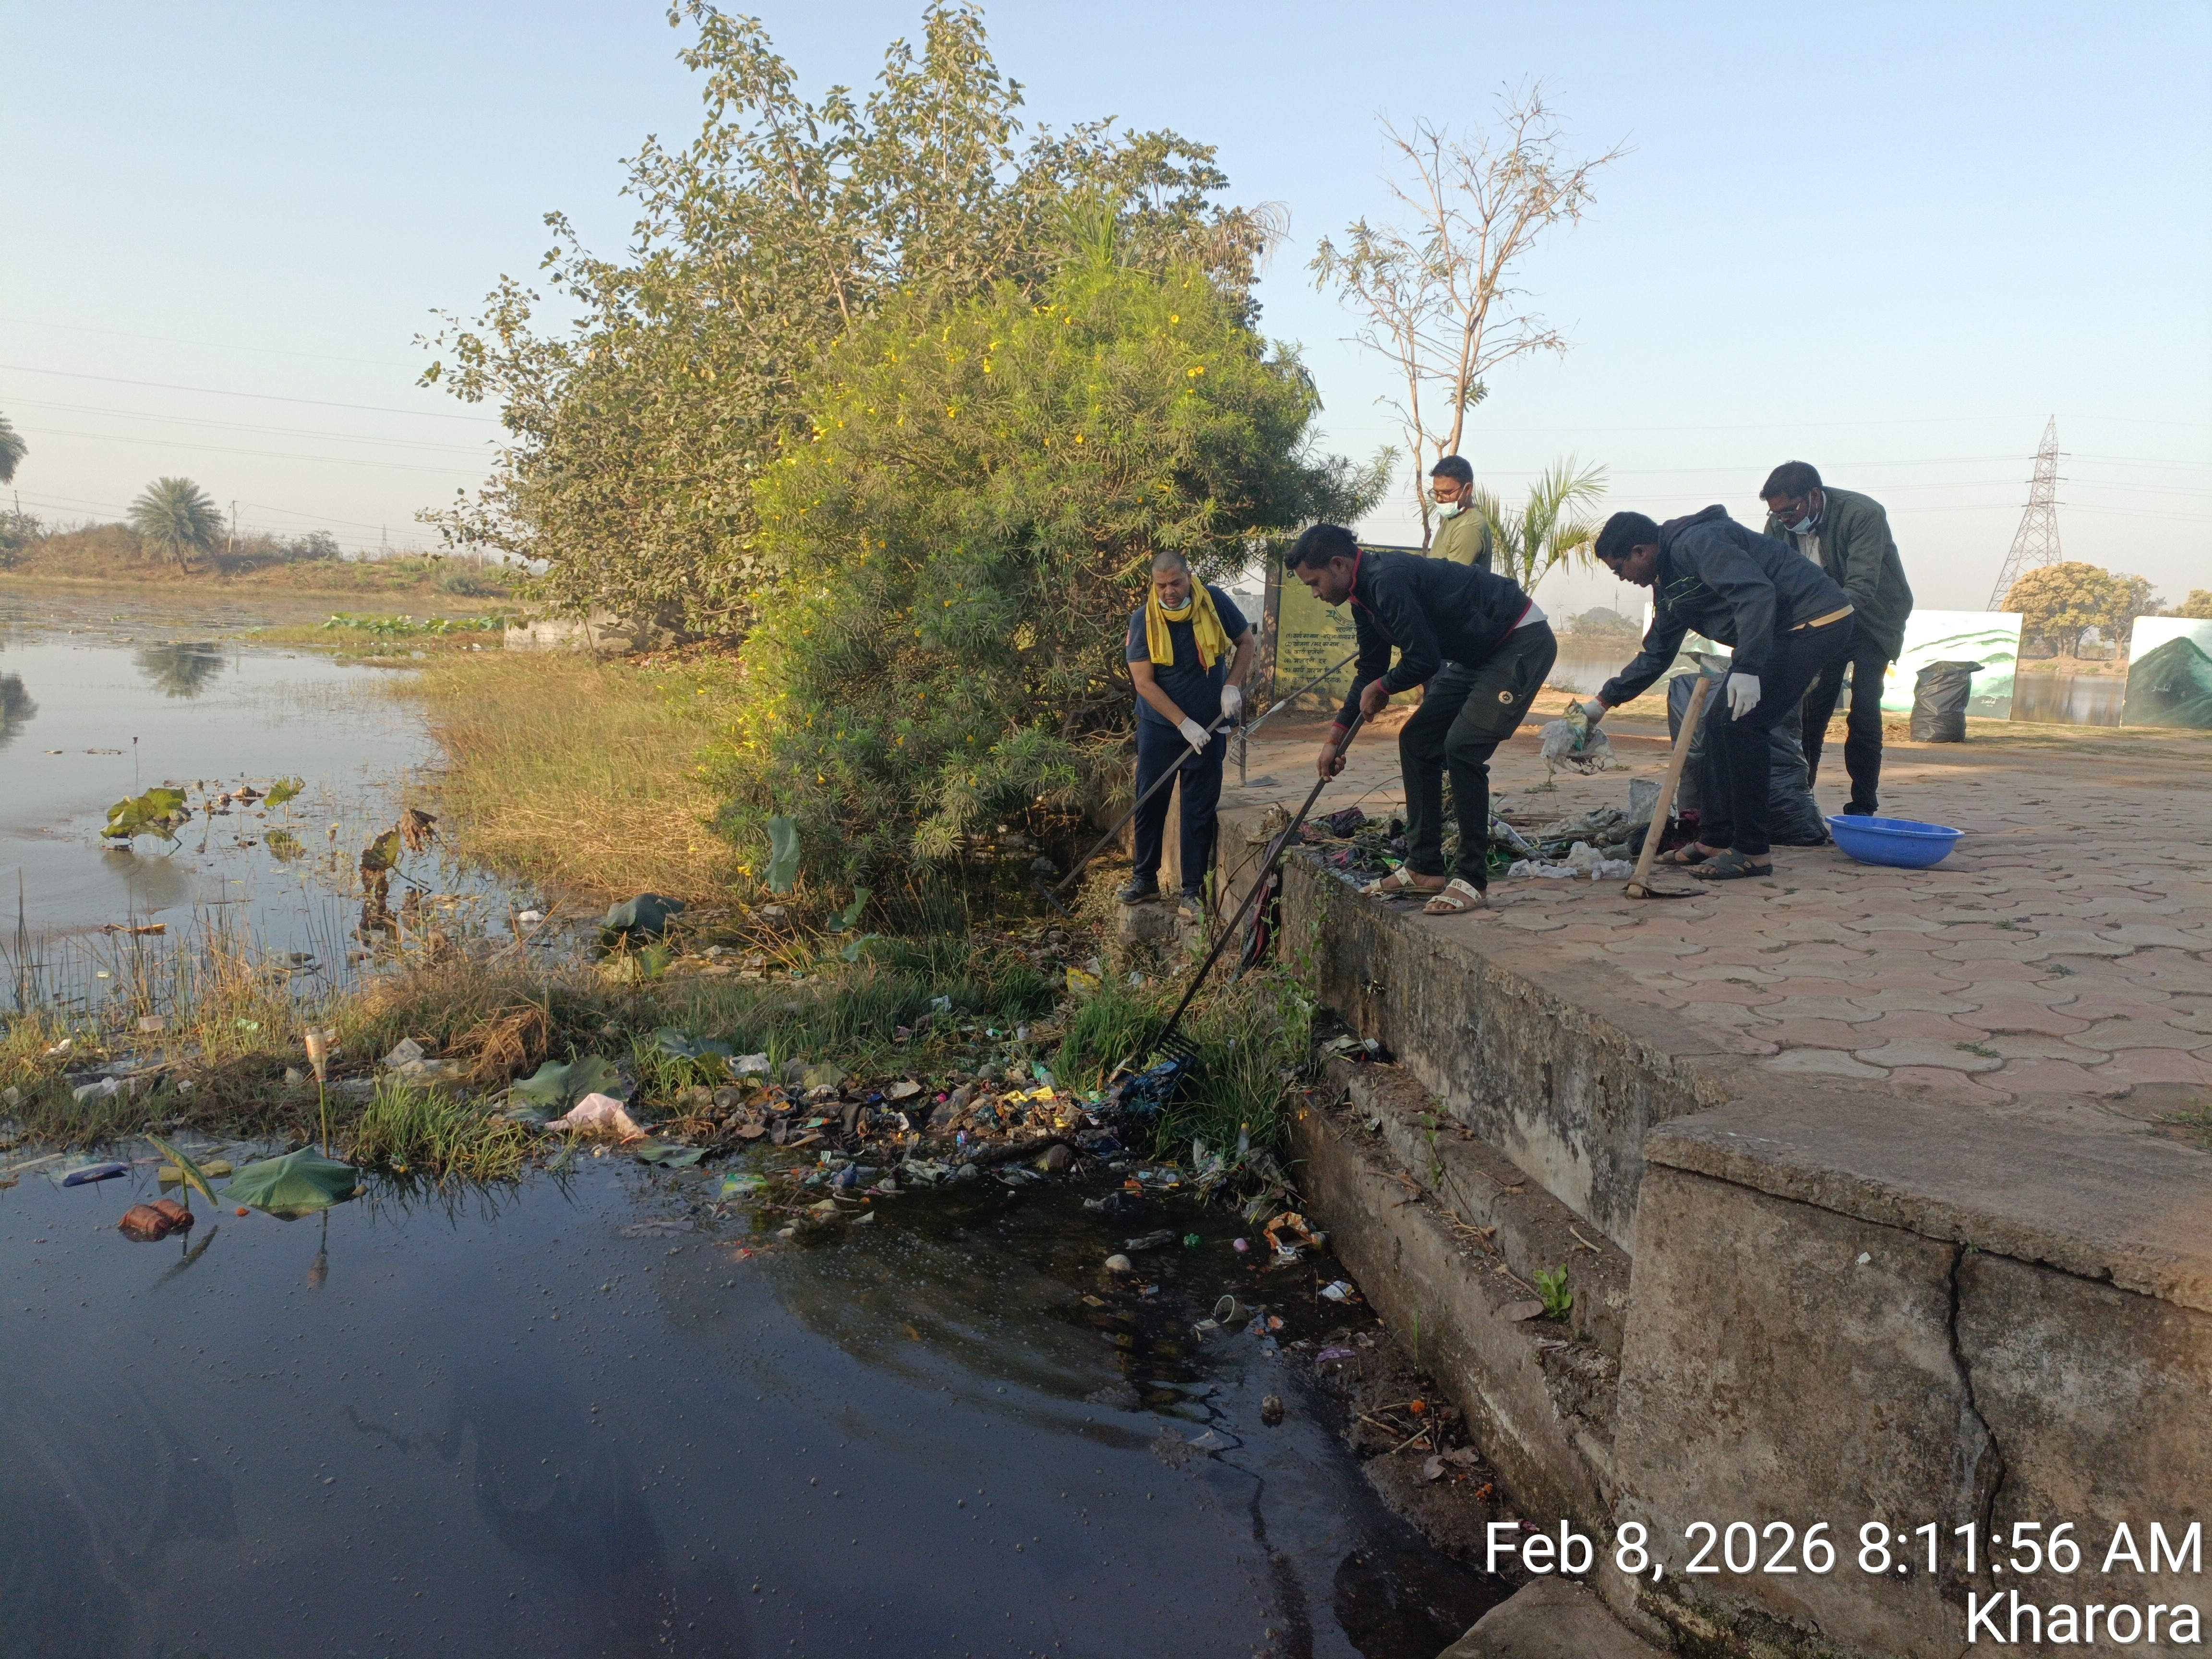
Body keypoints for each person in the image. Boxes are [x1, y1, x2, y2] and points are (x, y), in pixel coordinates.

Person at [1286, 523, 1554, 915]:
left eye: (1314, 582)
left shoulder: (1387, 581)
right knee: (1417, 740)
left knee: (1462, 747)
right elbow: (1370, 669)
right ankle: (1424, 867)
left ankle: (1471, 878)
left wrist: (1383, 687)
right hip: (1476, 656)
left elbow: (1424, 660)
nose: (1314, 593)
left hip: (1519, 640)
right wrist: (1335, 738)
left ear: (1339, 565)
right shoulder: (1362, 596)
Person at [1579, 506, 1855, 880]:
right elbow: (1658, 651)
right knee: (1717, 725)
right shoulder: (1671, 582)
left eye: (1619, 568)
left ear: (1641, 551)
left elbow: (1756, 594)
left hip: (1816, 621)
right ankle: (1715, 838)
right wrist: (1603, 702)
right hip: (1783, 631)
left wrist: (1747, 667)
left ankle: (1753, 852)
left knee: (1745, 727)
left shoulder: (1697, 543)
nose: (1622, 578)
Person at [1760, 461, 1914, 817]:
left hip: (1873, 620)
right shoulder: (1777, 526)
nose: (1783, 519)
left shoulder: (1863, 514)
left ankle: (1863, 807)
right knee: (1812, 711)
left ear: (1814, 496)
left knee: (1863, 710)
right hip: (1819, 622)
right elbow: (1769, 581)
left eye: (1789, 511)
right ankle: (1800, 804)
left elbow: (1861, 587)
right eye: (1775, 512)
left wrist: (1818, 623)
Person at [1121, 550, 1254, 911]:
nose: (1170, 592)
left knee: (1198, 809)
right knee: (1151, 802)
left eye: (1176, 583)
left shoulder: (1215, 603)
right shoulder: (1143, 621)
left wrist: (1232, 685)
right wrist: (1182, 723)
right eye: (1161, 585)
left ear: (1189, 575)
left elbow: (1246, 642)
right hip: (1160, 728)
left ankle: (1191, 893)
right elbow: (1144, 683)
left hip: (1210, 727)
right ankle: (1145, 879)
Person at [1427, 455, 1494, 569]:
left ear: (1468, 489)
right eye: (1437, 493)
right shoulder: (1453, 517)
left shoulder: (1469, 527)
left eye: (1447, 492)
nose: (1439, 499)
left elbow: (1451, 581)